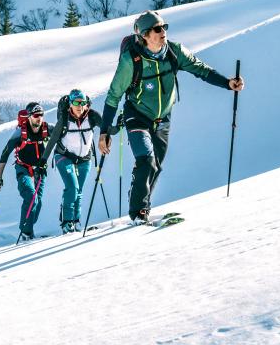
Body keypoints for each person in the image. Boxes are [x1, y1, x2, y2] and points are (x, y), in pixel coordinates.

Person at [97, 11, 245, 222]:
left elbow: (200, 69)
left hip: (163, 118)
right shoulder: (131, 61)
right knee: (146, 159)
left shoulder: (174, 52)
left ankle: (142, 204)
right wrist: (104, 132)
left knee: (156, 165)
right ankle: (138, 212)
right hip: (137, 115)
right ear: (146, 35)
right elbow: (113, 97)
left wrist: (227, 83)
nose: (163, 31)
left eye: (164, 27)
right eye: (158, 29)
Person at [45, 89, 101, 233]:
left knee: (79, 190)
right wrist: (42, 161)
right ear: (70, 104)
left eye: (82, 103)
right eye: (76, 102)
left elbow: (108, 129)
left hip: (84, 158)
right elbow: (52, 141)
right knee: (72, 187)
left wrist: (118, 125)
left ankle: (76, 221)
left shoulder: (92, 116)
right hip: (64, 156)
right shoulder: (64, 118)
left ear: (86, 104)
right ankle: (67, 222)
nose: (79, 106)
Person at [0, 101, 50, 241]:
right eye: (36, 115)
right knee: (31, 197)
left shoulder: (47, 128)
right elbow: (4, 154)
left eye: (41, 115)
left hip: (40, 169)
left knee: (38, 202)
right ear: (30, 116)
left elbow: (62, 134)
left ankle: (28, 228)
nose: (39, 118)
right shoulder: (20, 133)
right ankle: (26, 233)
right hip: (23, 168)